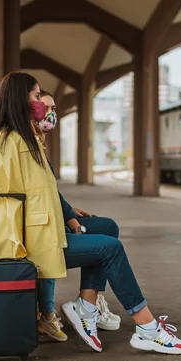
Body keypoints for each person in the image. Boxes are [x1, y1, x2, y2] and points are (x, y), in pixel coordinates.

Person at [0, 72, 181, 355]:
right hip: (28, 244)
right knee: (111, 249)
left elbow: (41, 193)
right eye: (36, 97)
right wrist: (24, 245)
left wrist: (69, 219)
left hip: (42, 231)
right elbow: (7, 202)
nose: (42, 105)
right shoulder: (10, 143)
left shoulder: (26, 139)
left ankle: (86, 307)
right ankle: (146, 329)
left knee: (105, 228)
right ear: (20, 100)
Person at [35, 90, 121, 341]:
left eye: (53, 109)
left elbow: (50, 190)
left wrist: (70, 211)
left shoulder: (38, 143)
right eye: (45, 108)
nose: (50, 114)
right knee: (105, 245)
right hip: (40, 227)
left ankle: (89, 302)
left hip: (51, 215)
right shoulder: (26, 145)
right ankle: (49, 314)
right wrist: (71, 222)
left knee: (107, 226)